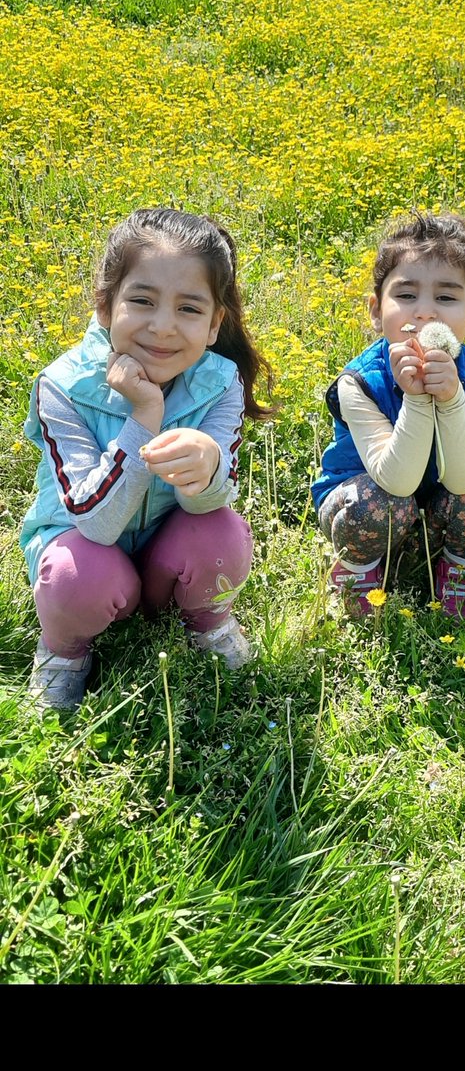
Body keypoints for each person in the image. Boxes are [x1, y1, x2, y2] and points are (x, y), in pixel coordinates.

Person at [20, 206, 274, 711]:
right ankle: (65, 652)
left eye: (188, 309)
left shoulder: (220, 381)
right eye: (142, 301)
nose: (162, 327)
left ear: (213, 324)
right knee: (78, 573)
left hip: (166, 552)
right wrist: (144, 416)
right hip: (88, 550)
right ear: (103, 306)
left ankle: (206, 623)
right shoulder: (63, 386)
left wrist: (207, 470)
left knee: (222, 532)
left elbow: (212, 503)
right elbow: (95, 524)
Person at [311, 211, 465, 620]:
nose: (425, 313)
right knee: (377, 504)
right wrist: (417, 399)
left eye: (446, 297)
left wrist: (452, 398)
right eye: (406, 296)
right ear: (375, 310)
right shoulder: (358, 383)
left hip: (436, 506)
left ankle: (460, 568)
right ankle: (359, 572)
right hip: (369, 505)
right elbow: (394, 480)